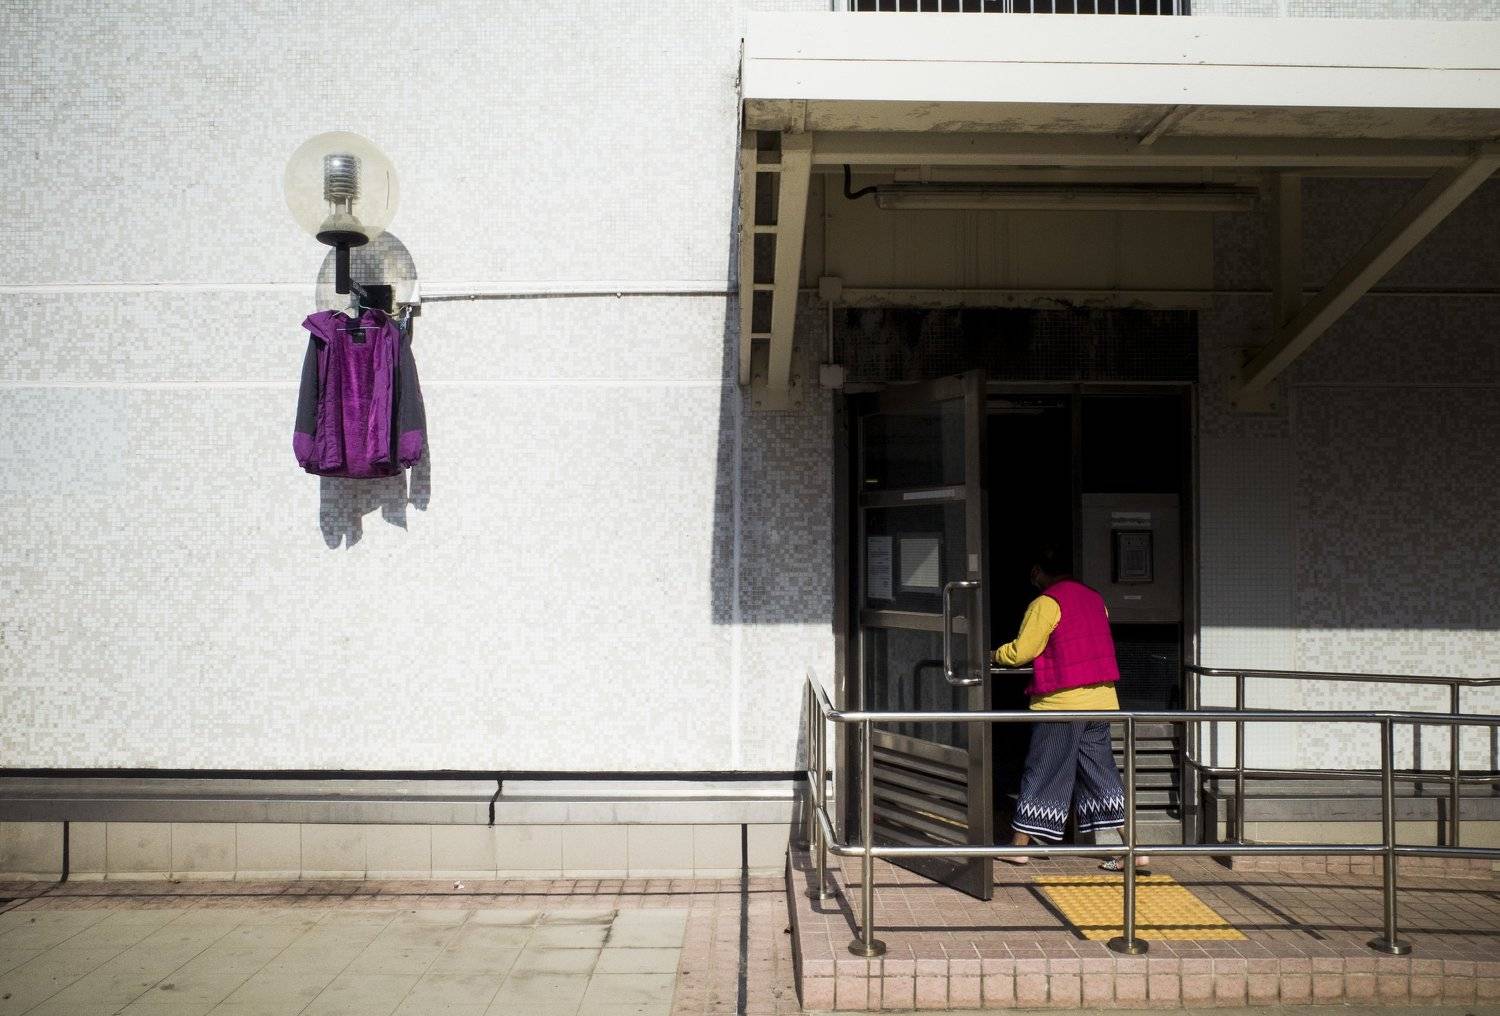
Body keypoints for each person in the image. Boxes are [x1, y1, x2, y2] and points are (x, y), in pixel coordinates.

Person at [991, 547, 1148, 872]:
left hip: (1062, 704)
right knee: (1102, 775)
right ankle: (1135, 848)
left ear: (1037, 571)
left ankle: (1019, 847)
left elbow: (1022, 652)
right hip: (1102, 703)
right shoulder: (1095, 598)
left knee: (1042, 770)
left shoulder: (1046, 603)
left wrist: (993, 655)